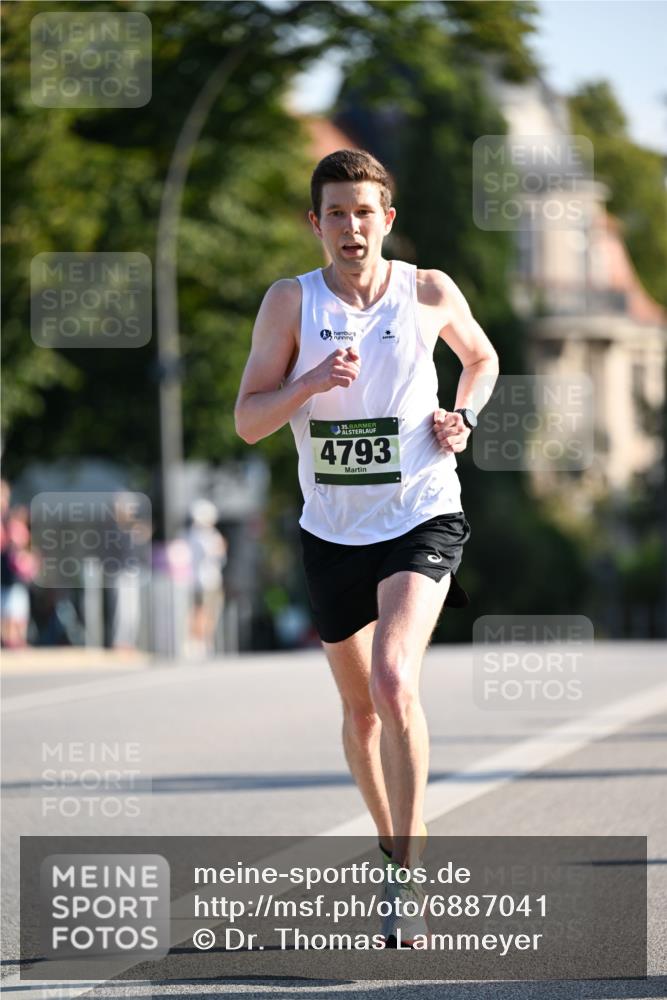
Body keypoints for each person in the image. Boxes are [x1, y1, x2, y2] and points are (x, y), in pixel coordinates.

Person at [235, 149, 498, 944]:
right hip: (331, 531)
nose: (351, 227)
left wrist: (462, 416)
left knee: (392, 681)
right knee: (360, 714)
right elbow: (248, 421)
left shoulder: (428, 291)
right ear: (314, 224)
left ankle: (407, 877)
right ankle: (392, 847)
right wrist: (307, 384)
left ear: (387, 219)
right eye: (336, 214)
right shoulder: (290, 302)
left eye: (363, 212)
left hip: (420, 512)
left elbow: (480, 358)